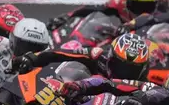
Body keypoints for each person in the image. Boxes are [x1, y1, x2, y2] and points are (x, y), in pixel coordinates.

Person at [12, 32, 152, 81]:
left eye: (131, 70)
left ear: (142, 70)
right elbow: (61, 53)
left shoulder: (144, 86)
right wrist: (33, 57)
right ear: (110, 57)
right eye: (120, 65)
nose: (124, 73)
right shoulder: (97, 56)